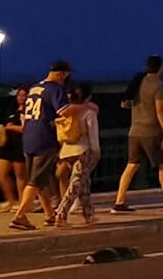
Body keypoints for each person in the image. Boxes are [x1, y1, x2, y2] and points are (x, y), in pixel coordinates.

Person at [9, 61, 70, 230]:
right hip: (45, 138)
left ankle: (50, 214)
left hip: (29, 137)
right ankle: (20, 216)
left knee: (38, 179)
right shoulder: (56, 89)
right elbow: (64, 111)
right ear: (62, 74)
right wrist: (83, 108)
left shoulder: (35, 88)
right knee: (36, 180)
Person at [113, 55, 163, 210]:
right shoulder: (159, 86)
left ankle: (119, 202)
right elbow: (160, 110)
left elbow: (126, 104)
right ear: (160, 67)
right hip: (152, 131)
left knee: (131, 165)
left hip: (134, 131)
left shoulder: (137, 83)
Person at [55, 84, 101, 226]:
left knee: (83, 182)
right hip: (82, 151)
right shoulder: (89, 112)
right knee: (75, 185)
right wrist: (96, 151)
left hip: (67, 151)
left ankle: (88, 214)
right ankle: (61, 214)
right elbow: (93, 135)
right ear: (88, 97)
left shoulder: (69, 111)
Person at [0, 88, 28, 212]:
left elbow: (26, 129)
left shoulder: (28, 111)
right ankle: (10, 200)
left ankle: (22, 203)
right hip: (8, 146)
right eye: (19, 95)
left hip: (20, 146)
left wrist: (12, 127)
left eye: (24, 95)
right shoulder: (11, 110)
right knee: (0, 173)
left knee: (20, 176)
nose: (21, 98)